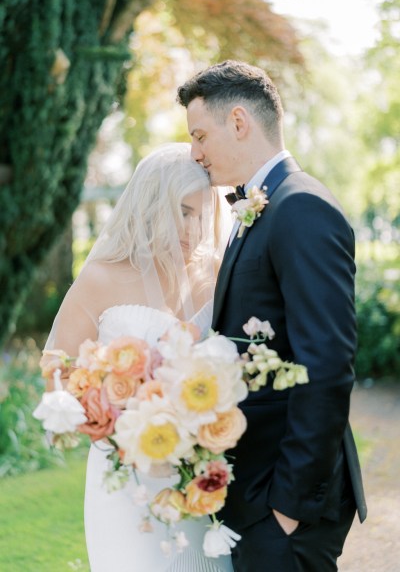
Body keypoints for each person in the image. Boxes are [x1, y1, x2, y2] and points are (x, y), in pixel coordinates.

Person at [177, 60, 367, 572]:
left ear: (239, 122)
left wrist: (287, 509)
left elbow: (326, 363)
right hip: (256, 489)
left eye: (200, 135)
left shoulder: (301, 207)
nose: (195, 153)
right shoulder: (262, 206)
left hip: (284, 502)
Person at [44, 143, 233, 572]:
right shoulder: (102, 277)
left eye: (203, 215)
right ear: (151, 206)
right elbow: (57, 369)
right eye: (183, 212)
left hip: (197, 473)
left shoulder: (218, 274)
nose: (194, 229)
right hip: (124, 477)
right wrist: (107, 413)